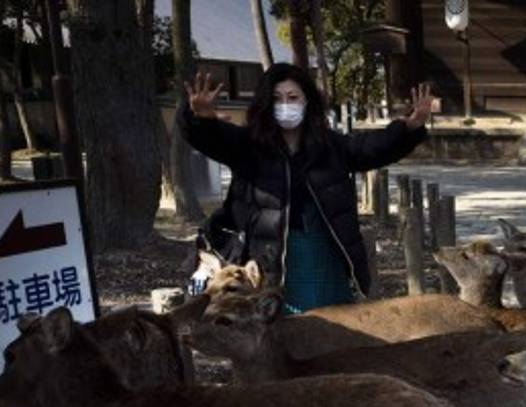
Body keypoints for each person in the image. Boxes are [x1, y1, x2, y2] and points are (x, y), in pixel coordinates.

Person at [180, 64, 429, 313]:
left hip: (324, 249)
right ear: (266, 104)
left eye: (293, 97)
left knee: (331, 324)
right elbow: (210, 137)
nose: (285, 105)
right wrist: (198, 118)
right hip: (270, 254)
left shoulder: (330, 145)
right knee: (279, 325)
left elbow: (371, 148)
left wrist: (408, 129)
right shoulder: (248, 146)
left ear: (307, 101)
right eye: (277, 99)